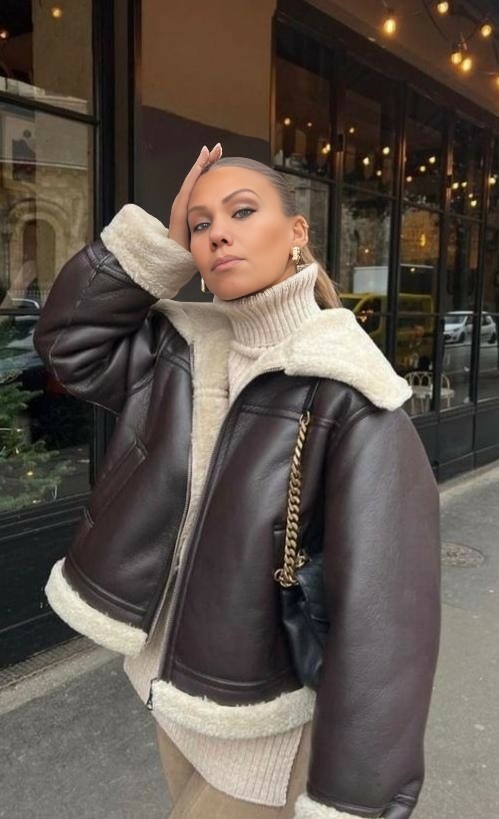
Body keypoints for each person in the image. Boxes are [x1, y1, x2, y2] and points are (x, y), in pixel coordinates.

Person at [33, 144, 441, 818]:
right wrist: (161, 248)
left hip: (265, 727)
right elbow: (69, 342)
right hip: (170, 698)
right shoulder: (180, 350)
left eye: (242, 211)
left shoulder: (351, 394)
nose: (217, 232)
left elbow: (385, 621)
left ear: (297, 232)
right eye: (201, 224)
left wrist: (355, 797)